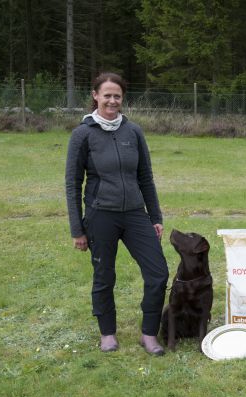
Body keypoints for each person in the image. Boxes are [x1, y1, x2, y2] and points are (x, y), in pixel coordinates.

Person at [65, 72, 168, 355]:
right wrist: (78, 229)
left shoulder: (133, 132)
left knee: (158, 273)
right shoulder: (83, 134)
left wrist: (155, 217)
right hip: (101, 216)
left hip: (135, 214)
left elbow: (145, 177)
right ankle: (107, 333)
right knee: (104, 276)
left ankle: (149, 334)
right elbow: (73, 183)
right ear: (95, 96)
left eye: (117, 96)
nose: (112, 100)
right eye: (107, 95)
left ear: (123, 99)